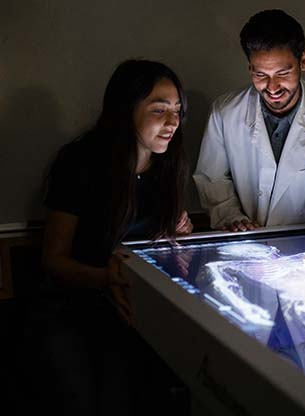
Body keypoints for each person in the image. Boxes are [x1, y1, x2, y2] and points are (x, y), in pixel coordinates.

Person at [25, 59, 192, 415]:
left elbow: (160, 247)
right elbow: (53, 259)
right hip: (70, 312)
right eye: (159, 109)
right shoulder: (81, 162)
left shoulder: (169, 166)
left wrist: (177, 240)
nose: (173, 121)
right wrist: (105, 277)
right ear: (126, 109)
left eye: (177, 110)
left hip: (133, 314)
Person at [194, 9, 305, 268]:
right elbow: (212, 177)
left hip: (304, 254)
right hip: (244, 249)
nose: (272, 88)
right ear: (250, 67)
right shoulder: (225, 112)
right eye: (260, 75)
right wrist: (230, 215)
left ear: (303, 61)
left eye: (283, 73)